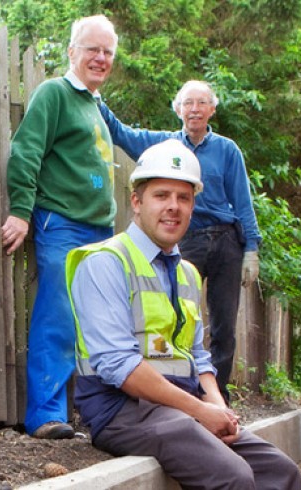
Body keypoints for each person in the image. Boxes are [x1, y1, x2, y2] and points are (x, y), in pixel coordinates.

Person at [67, 139, 301, 489]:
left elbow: (197, 356)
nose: (173, 207)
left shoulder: (187, 273)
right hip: (120, 409)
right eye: (161, 195)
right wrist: (199, 411)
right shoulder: (106, 263)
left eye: (184, 198)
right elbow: (121, 367)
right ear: (136, 201)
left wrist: (218, 408)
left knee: (281, 472)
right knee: (233, 477)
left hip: (178, 406)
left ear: (193, 206)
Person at [98, 80, 261, 403]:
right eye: (188, 103)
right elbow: (121, 133)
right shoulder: (164, 146)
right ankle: (173, 391)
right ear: (178, 109)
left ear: (212, 109)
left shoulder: (227, 150)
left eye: (202, 103)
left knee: (224, 324)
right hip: (187, 239)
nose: (195, 109)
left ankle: (218, 397)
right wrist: (95, 95)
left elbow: (242, 201)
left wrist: (251, 248)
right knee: (175, 315)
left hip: (226, 241)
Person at [2, 15, 120, 440]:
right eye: (93, 49)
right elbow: (26, 149)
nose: (101, 58)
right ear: (72, 52)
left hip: (100, 230)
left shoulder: (95, 106)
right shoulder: (55, 93)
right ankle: (46, 415)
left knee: (101, 327)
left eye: (108, 52)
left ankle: (98, 414)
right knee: (60, 317)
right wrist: (20, 210)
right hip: (64, 223)